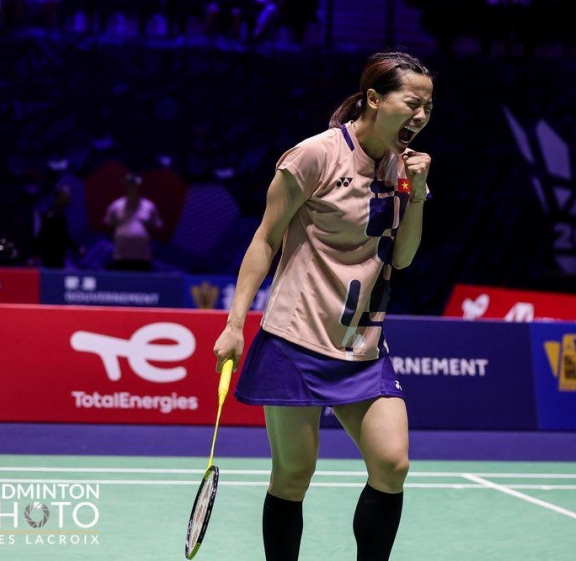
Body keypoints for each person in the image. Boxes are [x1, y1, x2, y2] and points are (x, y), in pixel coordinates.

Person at [212, 50, 435, 561]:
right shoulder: (315, 155)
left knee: (392, 464)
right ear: (374, 99)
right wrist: (234, 324)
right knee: (294, 475)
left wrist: (418, 192)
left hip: (362, 344)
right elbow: (265, 239)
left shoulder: (404, 168)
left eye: (428, 106)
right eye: (412, 102)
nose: (421, 115)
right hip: (297, 339)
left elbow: (402, 257)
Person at [104, 171, 163, 271]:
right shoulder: (116, 206)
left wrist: (141, 239)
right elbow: (109, 228)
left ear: (139, 186)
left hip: (142, 258)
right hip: (120, 257)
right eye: (129, 185)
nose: (131, 188)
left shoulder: (149, 206)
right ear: (125, 187)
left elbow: (156, 229)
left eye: (134, 185)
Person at [36, 183, 82, 268]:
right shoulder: (53, 213)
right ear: (61, 195)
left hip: (58, 256)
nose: (70, 198)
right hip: (51, 257)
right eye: (67, 195)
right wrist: (76, 248)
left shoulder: (59, 212)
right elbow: (46, 234)